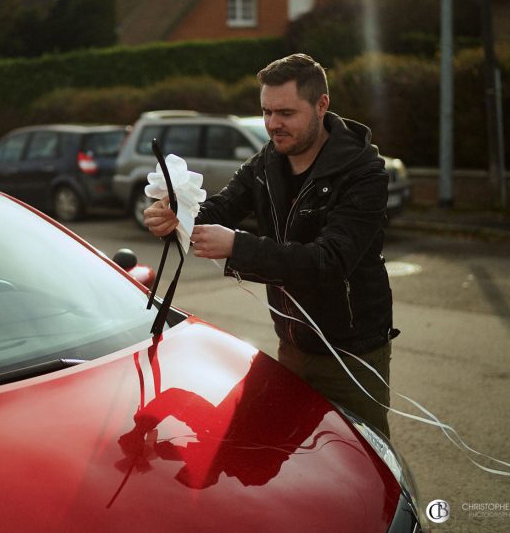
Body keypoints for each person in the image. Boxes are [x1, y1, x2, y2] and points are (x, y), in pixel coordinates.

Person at [143, 53, 396, 437]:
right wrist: (178, 214)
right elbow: (223, 207)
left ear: (321, 105)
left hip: (352, 353)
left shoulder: (363, 173)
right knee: (276, 455)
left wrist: (239, 248)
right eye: (265, 112)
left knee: (363, 465)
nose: (272, 125)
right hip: (290, 344)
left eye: (285, 113)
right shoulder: (266, 162)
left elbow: (330, 261)